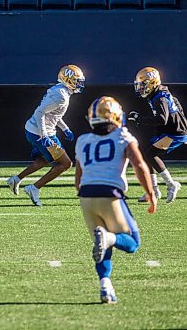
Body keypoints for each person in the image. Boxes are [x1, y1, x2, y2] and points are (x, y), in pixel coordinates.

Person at [75, 96, 157, 303]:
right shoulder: (122, 135)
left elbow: (79, 177)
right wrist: (150, 193)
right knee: (132, 243)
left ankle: (105, 286)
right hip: (109, 195)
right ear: (116, 116)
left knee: (101, 242)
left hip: (86, 196)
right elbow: (139, 166)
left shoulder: (83, 140)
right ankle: (110, 238)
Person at [6, 65, 85, 206]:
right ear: (68, 79)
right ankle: (34, 188)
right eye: (77, 80)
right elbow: (39, 113)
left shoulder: (60, 91)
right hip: (40, 133)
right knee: (65, 163)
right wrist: (44, 136)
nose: (79, 84)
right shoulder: (61, 96)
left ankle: (16, 179)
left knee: (45, 159)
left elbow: (53, 115)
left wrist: (65, 128)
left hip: (34, 130)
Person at [128, 67, 187, 203]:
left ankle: (171, 184)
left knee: (150, 155)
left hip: (175, 132)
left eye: (143, 84)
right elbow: (177, 103)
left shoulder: (159, 98)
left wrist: (140, 119)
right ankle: (153, 190)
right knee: (146, 154)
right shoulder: (159, 93)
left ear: (152, 82)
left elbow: (162, 119)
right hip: (172, 129)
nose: (140, 87)